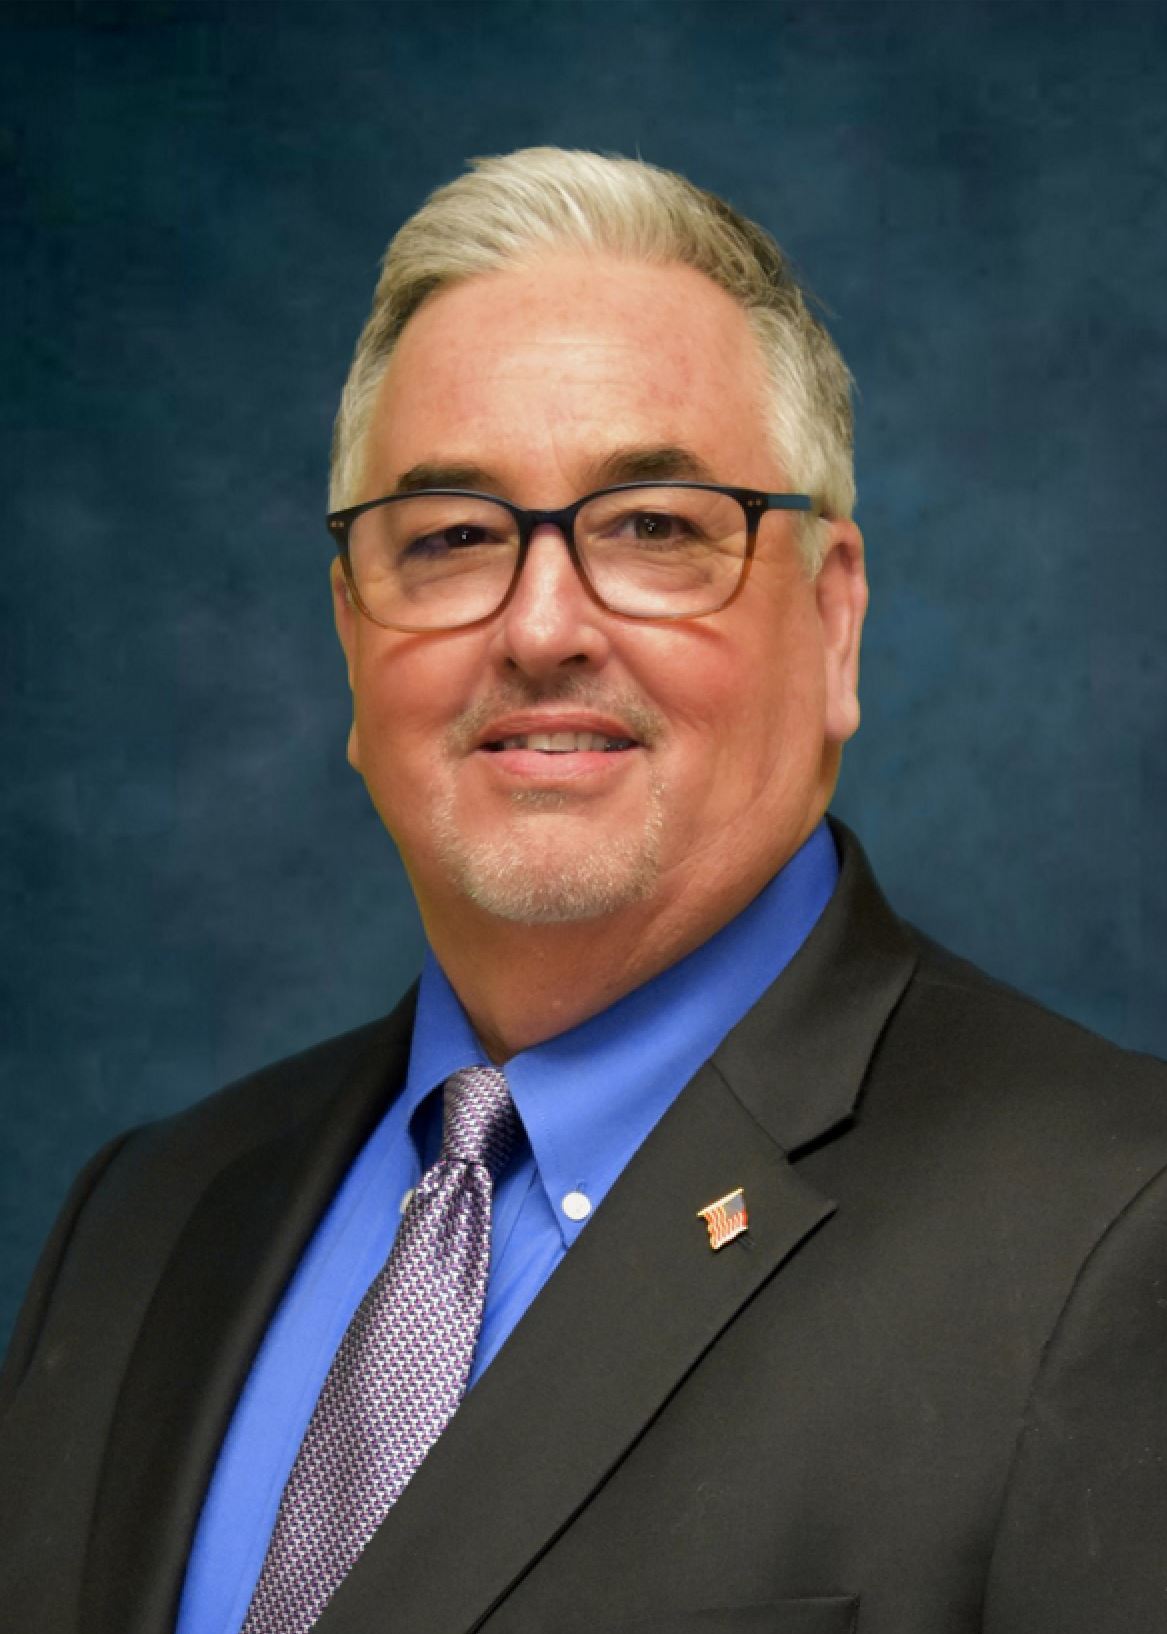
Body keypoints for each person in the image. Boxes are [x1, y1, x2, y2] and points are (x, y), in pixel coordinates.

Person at [1, 147, 1165, 1634]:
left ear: (834, 625)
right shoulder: (144, 1220)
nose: (543, 626)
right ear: (353, 644)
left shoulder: (1115, 1234)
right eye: (450, 539)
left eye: (655, 527)